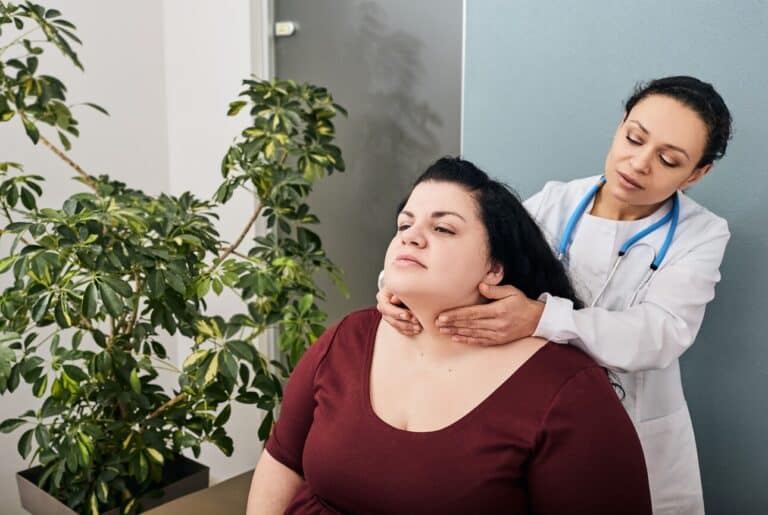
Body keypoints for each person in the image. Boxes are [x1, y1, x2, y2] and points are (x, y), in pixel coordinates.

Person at [378, 76, 732, 515]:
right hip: (540, 408)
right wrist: (394, 290)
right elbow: (470, 259)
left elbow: (661, 333)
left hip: (639, 423)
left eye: (668, 159)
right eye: (634, 137)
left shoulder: (702, 233)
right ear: (621, 123)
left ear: (698, 173)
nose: (639, 163)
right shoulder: (554, 202)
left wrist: (541, 318)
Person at [247, 158, 651, 515]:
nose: (412, 236)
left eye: (442, 228)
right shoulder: (350, 337)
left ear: (494, 268)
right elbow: (283, 461)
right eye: (405, 224)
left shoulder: (567, 391)